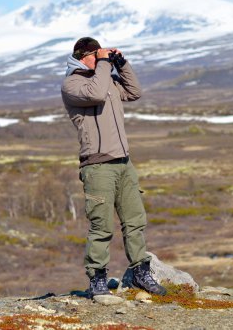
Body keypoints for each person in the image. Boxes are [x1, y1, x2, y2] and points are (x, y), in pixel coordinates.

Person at [61, 37, 166, 297]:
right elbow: (96, 92)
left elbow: (134, 92)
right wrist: (105, 64)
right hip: (98, 166)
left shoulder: (106, 77)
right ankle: (97, 279)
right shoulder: (72, 84)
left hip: (123, 162)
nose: (101, 59)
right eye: (97, 55)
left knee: (135, 221)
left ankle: (141, 273)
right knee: (101, 225)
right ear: (85, 56)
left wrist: (122, 63)